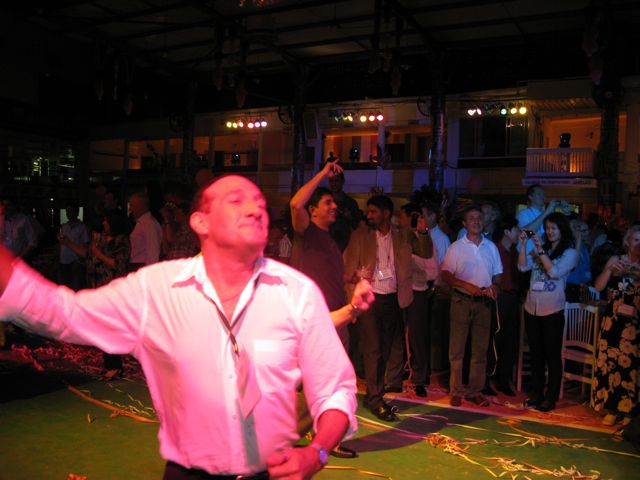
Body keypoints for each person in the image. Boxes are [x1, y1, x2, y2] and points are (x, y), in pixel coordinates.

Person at [0, 175, 357, 479]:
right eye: (236, 201)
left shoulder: (297, 292)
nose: (255, 209)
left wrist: (318, 452)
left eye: (260, 204)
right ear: (200, 222)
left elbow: (335, 388)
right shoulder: (157, 290)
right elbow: (64, 313)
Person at [344, 194, 433, 421]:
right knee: (373, 349)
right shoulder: (360, 235)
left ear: (386, 213)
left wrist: (423, 232)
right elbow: (348, 271)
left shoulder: (403, 234)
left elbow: (426, 252)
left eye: (373, 211)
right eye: (368, 211)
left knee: (384, 349)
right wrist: (353, 301)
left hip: (393, 298)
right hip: (369, 298)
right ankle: (375, 399)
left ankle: (374, 393)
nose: (369, 215)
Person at [441, 205, 503, 408]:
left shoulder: (491, 247)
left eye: (479, 218)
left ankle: (475, 391)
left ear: (483, 221)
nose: (476, 221)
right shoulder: (456, 247)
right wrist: (465, 285)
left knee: (480, 350)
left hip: (484, 302)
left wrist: (495, 285)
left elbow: (498, 274)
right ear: (464, 223)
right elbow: (446, 274)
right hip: (461, 300)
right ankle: (456, 391)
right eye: (472, 218)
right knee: (457, 349)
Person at [517, 212, 578, 412]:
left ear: (562, 229)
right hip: (532, 306)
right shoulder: (541, 248)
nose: (550, 232)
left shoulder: (570, 253)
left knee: (552, 355)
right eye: (548, 228)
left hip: (552, 309)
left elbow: (554, 272)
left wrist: (540, 249)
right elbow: (522, 267)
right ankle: (536, 393)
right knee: (536, 354)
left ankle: (551, 397)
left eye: (554, 228)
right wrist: (524, 245)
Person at [60, 210, 132, 377]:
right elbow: (88, 255)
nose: (104, 223)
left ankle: (115, 366)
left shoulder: (121, 240)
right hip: (97, 287)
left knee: (110, 328)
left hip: (112, 290)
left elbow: (118, 264)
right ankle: (109, 365)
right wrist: (69, 244)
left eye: (106, 221)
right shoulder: (100, 238)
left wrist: (97, 252)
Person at [592, 225, 640, 426]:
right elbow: (598, 286)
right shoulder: (616, 259)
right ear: (627, 242)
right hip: (613, 319)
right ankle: (611, 407)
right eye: (636, 240)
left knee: (630, 366)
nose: (639, 244)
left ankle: (628, 410)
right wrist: (610, 270)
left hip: (634, 323)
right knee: (610, 362)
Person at [397, 203, 439, 397]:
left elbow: (432, 271)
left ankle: (420, 379)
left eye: (403, 216)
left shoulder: (425, 239)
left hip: (418, 292)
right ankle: (401, 372)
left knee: (417, 336)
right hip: (398, 290)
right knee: (400, 335)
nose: (400, 219)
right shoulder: (399, 237)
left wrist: (414, 269)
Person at [490, 216, 521, 396]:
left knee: (510, 340)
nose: (519, 233)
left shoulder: (515, 251)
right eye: (516, 230)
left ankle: (504, 380)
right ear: (507, 232)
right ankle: (489, 378)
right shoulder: (495, 249)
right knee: (495, 338)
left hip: (513, 297)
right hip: (499, 297)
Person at [58, 201, 90, 292]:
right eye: (67, 211)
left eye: (70, 211)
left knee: (76, 288)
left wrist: (81, 260)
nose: (68, 213)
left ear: (76, 212)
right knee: (64, 288)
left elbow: (85, 245)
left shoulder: (82, 227)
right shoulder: (63, 226)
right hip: (63, 261)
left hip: (76, 262)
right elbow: (61, 244)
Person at [128, 190, 162, 271]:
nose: (130, 209)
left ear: (141, 206)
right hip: (138, 266)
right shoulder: (143, 223)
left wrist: (148, 273)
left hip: (142, 267)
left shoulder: (149, 224)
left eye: (132, 205)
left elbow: (153, 252)